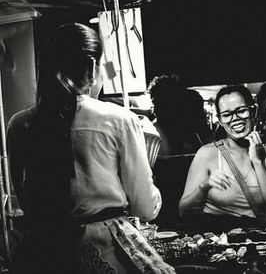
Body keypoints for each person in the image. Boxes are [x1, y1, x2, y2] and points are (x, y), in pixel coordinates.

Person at [7, 23, 175, 273]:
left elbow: (22, 195)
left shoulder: (19, 124)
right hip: (102, 247)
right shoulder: (119, 119)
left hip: (42, 250)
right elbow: (145, 208)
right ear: (93, 67)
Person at [179, 85, 266, 232]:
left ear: (254, 111)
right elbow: (184, 212)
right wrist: (204, 187)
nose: (235, 119)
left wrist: (257, 162)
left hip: (257, 241)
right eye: (227, 115)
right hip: (219, 242)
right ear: (219, 120)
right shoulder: (207, 154)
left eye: (241, 111)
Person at [148, 75, 213, 229]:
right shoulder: (164, 129)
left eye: (156, 102)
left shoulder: (167, 129)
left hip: (184, 201)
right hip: (172, 202)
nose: (154, 108)